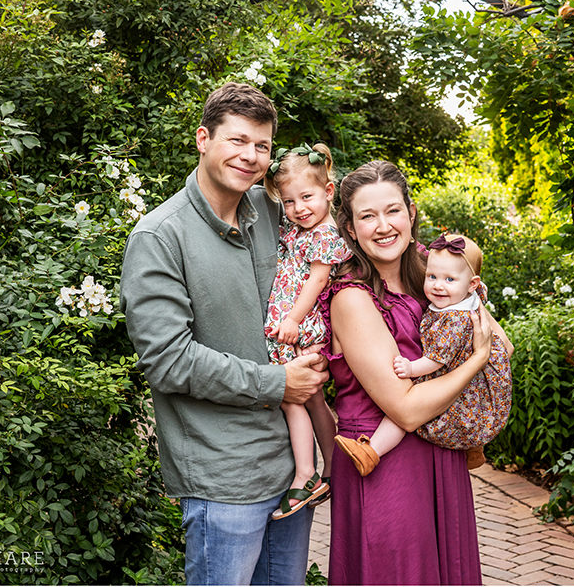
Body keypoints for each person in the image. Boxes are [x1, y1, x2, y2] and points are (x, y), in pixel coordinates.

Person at [119, 83, 329, 586]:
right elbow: (168, 361)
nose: (251, 156)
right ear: (203, 139)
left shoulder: (277, 213)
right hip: (223, 477)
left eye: (262, 145)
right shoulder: (159, 237)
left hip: (291, 471)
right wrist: (277, 384)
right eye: (237, 141)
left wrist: (459, 296)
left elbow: (348, 242)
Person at [318, 159, 506, 585]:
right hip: (381, 463)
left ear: (412, 213)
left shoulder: (431, 277)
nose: (383, 226)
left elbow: (495, 336)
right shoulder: (352, 298)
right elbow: (403, 410)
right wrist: (476, 359)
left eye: (392, 211)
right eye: (367, 216)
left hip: (440, 453)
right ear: (350, 230)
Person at [333, 232, 512, 476]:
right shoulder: (467, 299)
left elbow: (437, 359)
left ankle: (372, 451)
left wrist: (411, 368)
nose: (438, 285)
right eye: (432, 276)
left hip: (446, 371)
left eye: (449, 279)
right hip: (469, 382)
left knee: (405, 409)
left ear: (472, 284)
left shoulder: (454, 318)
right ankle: (473, 447)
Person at [262, 143, 351, 519]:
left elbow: (316, 281)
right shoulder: (302, 226)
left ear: (329, 192)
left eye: (307, 197)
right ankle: (332, 470)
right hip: (292, 327)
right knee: (312, 399)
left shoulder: (325, 234)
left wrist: (294, 320)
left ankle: (306, 471)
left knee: (292, 398)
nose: (299, 208)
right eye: (289, 201)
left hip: (300, 327)